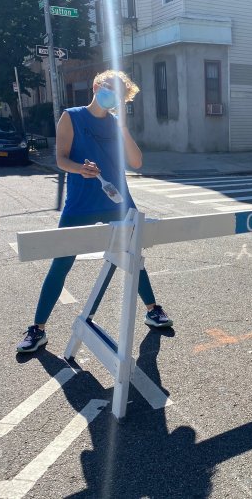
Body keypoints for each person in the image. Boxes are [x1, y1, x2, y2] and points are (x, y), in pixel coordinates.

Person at [17, 70, 172, 353]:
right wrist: (80, 169)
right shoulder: (72, 116)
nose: (113, 97)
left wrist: (123, 127)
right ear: (96, 86)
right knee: (61, 263)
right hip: (81, 203)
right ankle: (37, 329)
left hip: (118, 202)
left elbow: (137, 161)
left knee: (134, 257)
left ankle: (153, 309)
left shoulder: (116, 124)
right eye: (110, 89)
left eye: (120, 96)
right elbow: (61, 159)